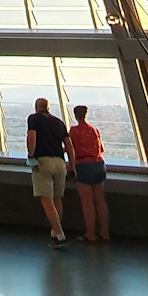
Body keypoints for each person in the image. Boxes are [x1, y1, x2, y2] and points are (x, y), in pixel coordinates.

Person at [26, 96, 76, 248]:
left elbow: (31, 137)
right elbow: (69, 146)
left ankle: (60, 236)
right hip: (60, 163)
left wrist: (31, 156)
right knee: (57, 198)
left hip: (43, 162)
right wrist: (72, 166)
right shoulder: (59, 122)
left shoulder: (33, 119)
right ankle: (55, 233)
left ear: (36, 107)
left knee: (46, 200)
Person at [68, 104, 110, 243]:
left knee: (87, 202)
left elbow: (70, 149)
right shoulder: (94, 130)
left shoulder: (74, 131)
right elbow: (101, 148)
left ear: (75, 115)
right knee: (100, 201)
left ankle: (90, 234)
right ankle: (104, 232)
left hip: (83, 166)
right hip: (98, 164)